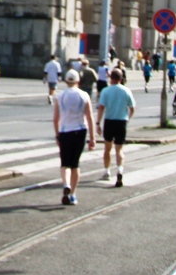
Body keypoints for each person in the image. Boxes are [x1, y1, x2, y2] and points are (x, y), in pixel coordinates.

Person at [54, 69, 96, 205]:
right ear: (78, 81)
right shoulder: (84, 95)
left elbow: (55, 119)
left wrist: (57, 135)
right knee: (75, 164)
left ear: (66, 81)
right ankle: (73, 194)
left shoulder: (59, 96)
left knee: (64, 163)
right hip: (80, 131)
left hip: (65, 131)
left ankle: (66, 184)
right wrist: (92, 138)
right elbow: (89, 117)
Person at [96, 67, 136, 187]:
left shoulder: (105, 91)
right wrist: (128, 118)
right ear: (121, 78)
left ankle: (107, 171)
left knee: (107, 149)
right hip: (121, 122)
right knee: (119, 150)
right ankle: (119, 170)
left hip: (109, 121)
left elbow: (101, 107)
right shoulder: (126, 91)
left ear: (110, 78)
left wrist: (98, 123)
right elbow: (132, 108)